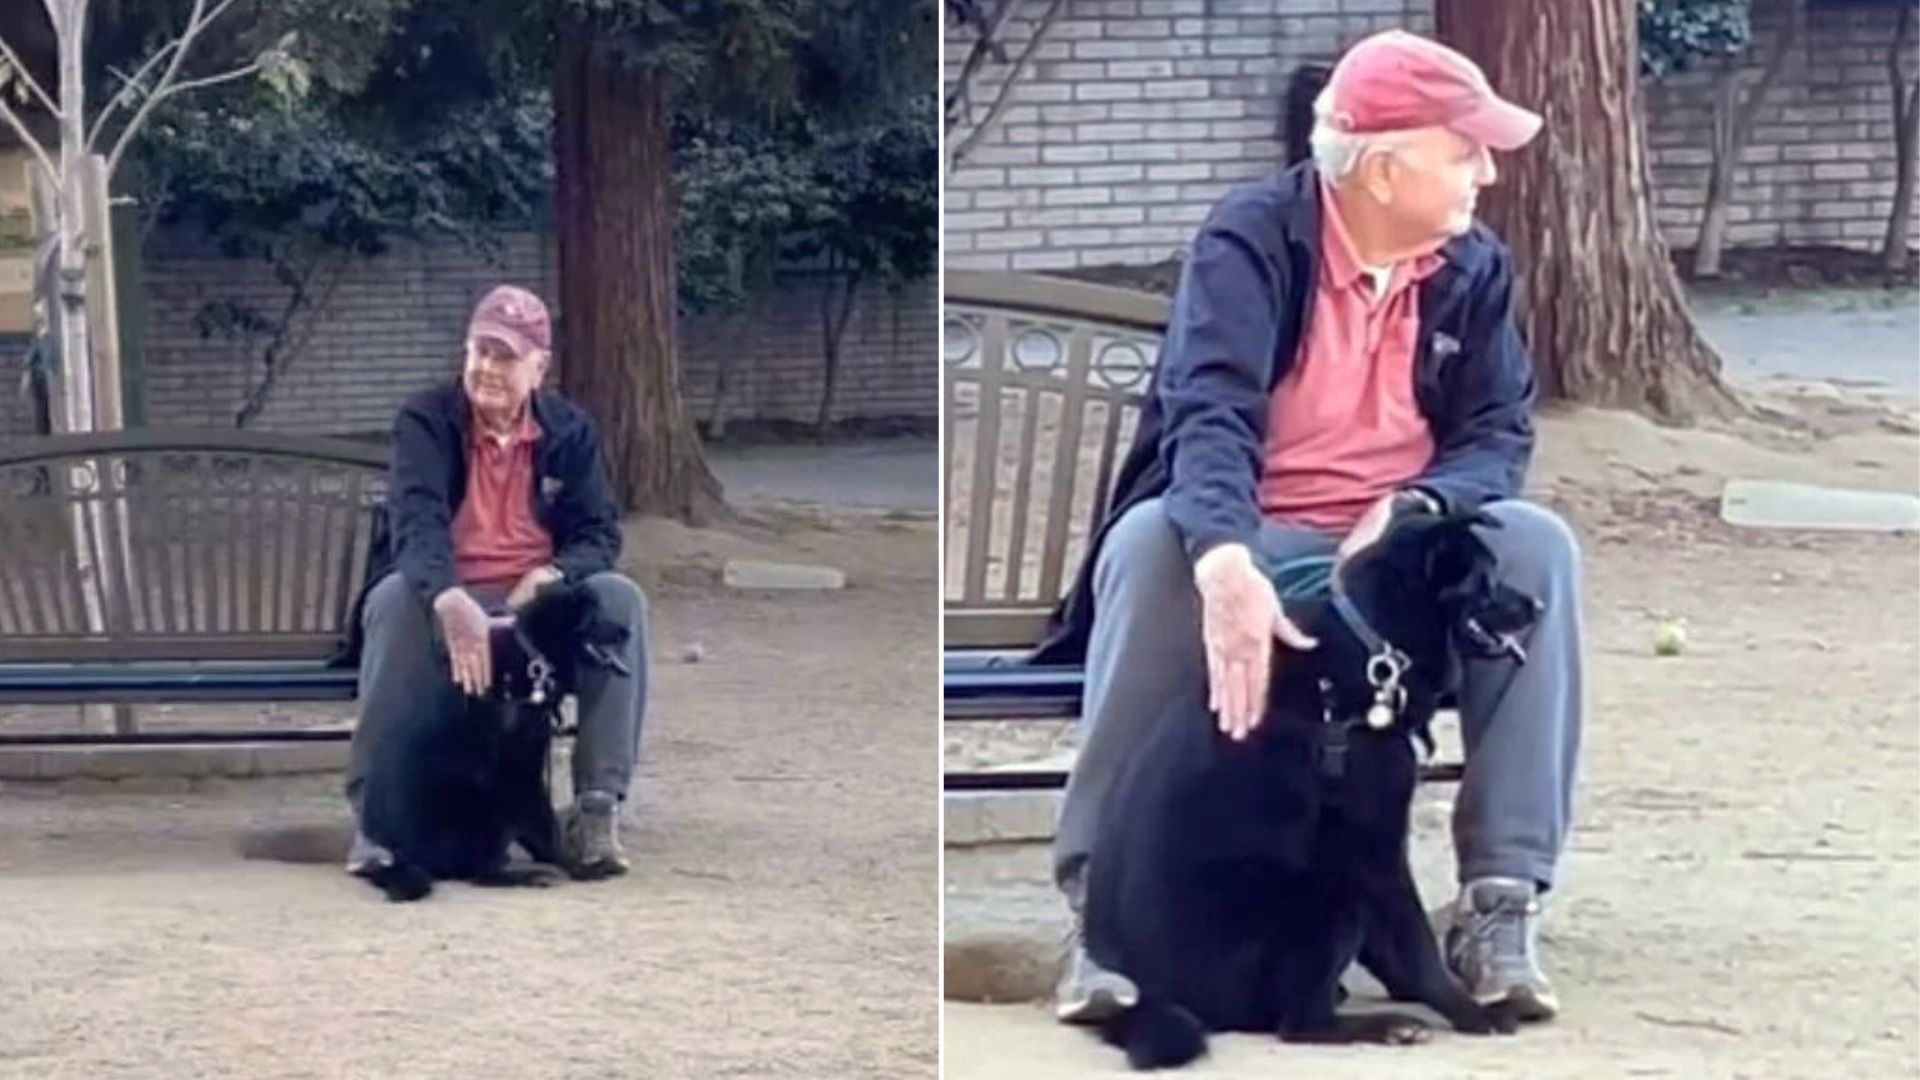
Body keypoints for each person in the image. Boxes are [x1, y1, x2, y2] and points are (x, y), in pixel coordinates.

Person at [1042, 30, 1584, 1025]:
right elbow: (1205, 414)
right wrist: (1224, 557)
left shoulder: (1472, 266)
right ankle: (1101, 919)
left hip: (1394, 559)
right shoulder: (1251, 239)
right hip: (1263, 527)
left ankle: (1499, 903)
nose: (1488, 171)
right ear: (1383, 166)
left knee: (1537, 549)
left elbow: (1498, 430)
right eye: (1464, 149)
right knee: (1154, 549)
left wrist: (1420, 507)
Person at [342, 284, 649, 881]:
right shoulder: (425, 420)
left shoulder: (570, 432)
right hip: (446, 591)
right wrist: (449, 597)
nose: (486, 369)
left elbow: (598, 533)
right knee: (393, 600)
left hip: (534, 602)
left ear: (539, 367)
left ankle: (595, 810)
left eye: (504, 357)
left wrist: (551, 575)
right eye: (479, 351)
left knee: (620, 600)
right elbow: (416, 525)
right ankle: (376, 825)